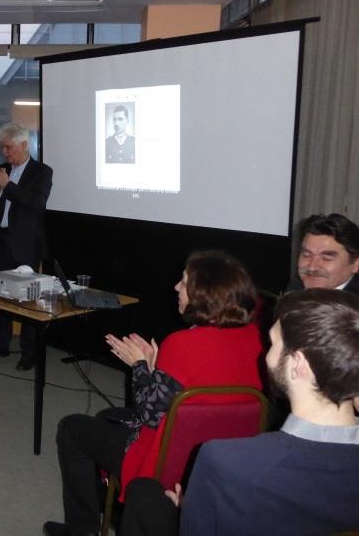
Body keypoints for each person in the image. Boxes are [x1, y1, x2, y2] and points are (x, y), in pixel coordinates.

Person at [43, 250, 263, 536]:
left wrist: (139, 366)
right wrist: (156, 367)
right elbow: (200, 395)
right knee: (109, 415)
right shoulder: (255, 341)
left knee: (72, 428)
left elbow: (149, 413)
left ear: (204, 293)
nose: (176, 287)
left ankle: (82, 530)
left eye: (183, 282)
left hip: (164, 464)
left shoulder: (182, 344)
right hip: (224, 463)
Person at [120, 289, 359, 536]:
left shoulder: (226, 460)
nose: (265, 353)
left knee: (142, 492)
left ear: (298, 365)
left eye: (273, 343)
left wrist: (187, 510)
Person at [0, 122, 53, 371]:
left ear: (24, 145)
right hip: (1, 240)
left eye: (8, 147)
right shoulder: (2, 169)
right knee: (0, 296)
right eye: (2, 148)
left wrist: (7, 186)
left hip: (26, 245)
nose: (4, 153)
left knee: (28, 300)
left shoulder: (42, 172)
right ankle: (0, 344)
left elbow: (35, 204)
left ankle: (28, 352)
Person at [288, 213, 359, 293]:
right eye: (306, 255)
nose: (312, 267)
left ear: (356, 264)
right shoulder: (296, 287)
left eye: (326, 258)